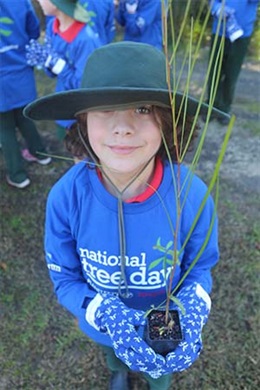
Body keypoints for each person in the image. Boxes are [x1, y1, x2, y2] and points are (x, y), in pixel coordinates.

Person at [24, 42, 226, 390]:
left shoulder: (191, 195)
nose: (122, 127)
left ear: (166, 122)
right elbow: (66, 280)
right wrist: (99, 311)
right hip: (103, 323)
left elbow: (201, 266)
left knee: (159, 372)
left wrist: (194, 302)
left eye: (143, 109)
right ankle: (116, 368)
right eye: (104, 110)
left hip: (165, 326)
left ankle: (156, 380)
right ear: (82, 121)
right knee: (114, 350)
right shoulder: (65, 197)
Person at [30, 0, 101, 140]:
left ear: (57, 3)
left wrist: (61, 68)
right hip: (63, 104)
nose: (39, 2)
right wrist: (48, 63)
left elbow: (84, 86)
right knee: (68, 144)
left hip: (81, 113)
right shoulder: (53, 26)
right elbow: (50, 73)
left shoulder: (85, 39)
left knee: (83, 153)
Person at [0, 0, 51, 190]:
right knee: (24, 116)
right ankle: (41, 153)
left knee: (4, 127)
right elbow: (34, 29)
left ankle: (18, 175)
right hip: (20, 70)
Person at [207, 0, 259, 125]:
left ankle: (224, 109)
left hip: (241, 33)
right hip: (219, 31)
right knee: (214, 71)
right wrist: (216, 8)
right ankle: (211, 107)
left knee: (232, 74)